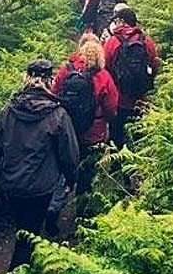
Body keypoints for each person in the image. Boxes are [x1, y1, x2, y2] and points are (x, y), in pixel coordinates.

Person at [0, 58, 80, 274]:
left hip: (11, 187)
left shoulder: (8, 110)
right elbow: (69, 154)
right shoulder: (57, 115)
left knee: (23, 235)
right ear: (50, 80)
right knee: (26, 242)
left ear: (26, 77)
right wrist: (71, 180)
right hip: (40, 189)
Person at [48, 35, 119, 227]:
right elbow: (111, 108)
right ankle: (81, 215)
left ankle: (54, 206)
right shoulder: (103, 76)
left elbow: (53, 95)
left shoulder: (66, 70)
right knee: (86, 174)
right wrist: (105, 122)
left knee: (63, 170)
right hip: (93, 134)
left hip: (66, 131)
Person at [103, 7, 160, 149]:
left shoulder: (113, 42)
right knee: (138, 137)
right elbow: (155, 64)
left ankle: (118, 159)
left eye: (117, 21)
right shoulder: (146, 41)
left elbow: (105, 69)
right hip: (141, 98)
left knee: (117, 137)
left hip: (119, 99)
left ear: (122, 21)